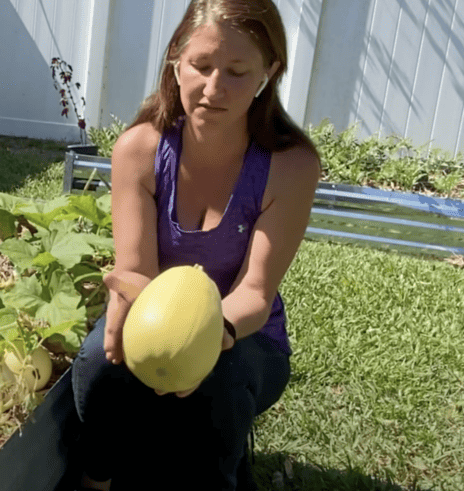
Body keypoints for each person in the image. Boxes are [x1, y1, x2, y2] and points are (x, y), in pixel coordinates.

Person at [70, 0, 320, 489]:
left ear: (269, 73)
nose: (214, 87)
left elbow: (255, 292)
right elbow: (137, 270)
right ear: (176, 61)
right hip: (154, 315)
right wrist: (123, 306)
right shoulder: (139, 150)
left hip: (245, 333)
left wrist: (211, 337)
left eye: (237, 71)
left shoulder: (290, 166)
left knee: (221, 381)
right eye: (202, 66)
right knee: (100, 365)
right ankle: (96, 479)